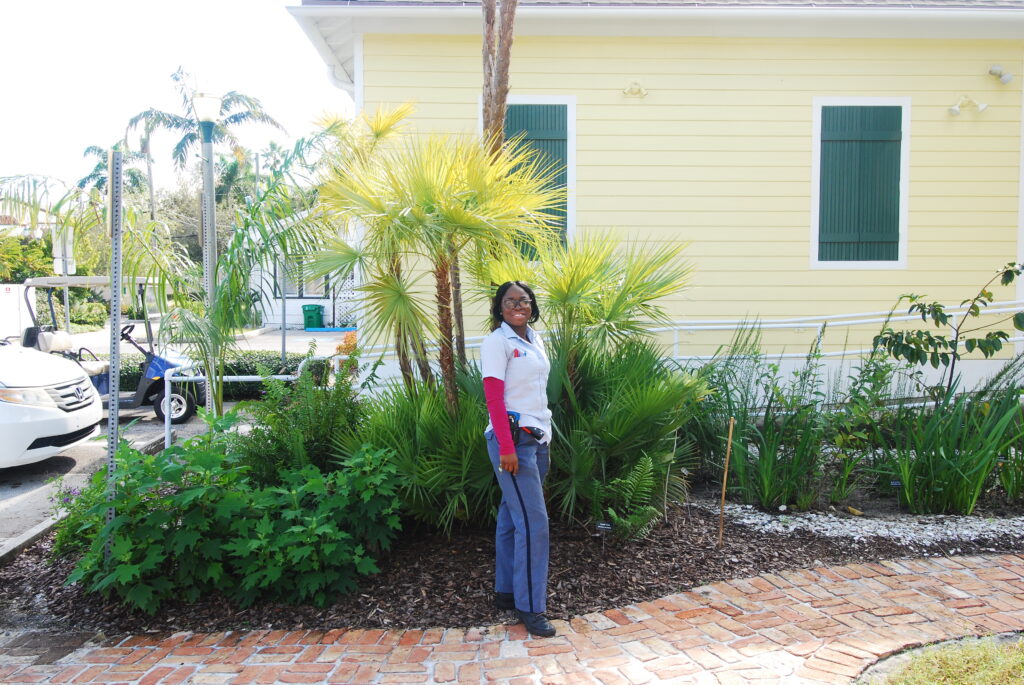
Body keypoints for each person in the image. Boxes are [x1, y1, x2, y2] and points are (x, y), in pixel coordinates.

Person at [480, 280, 556, 638]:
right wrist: (507, 447)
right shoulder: (497, 342)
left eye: (524, 300)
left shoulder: (535, 339)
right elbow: (494, 399)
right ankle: (531, 607)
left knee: (513, 517)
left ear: (532, 305)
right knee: (535, 525)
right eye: (510, 301)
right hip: (512, 442)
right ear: (499, 307)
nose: (518, 305)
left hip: (537, 437)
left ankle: (507, 592)